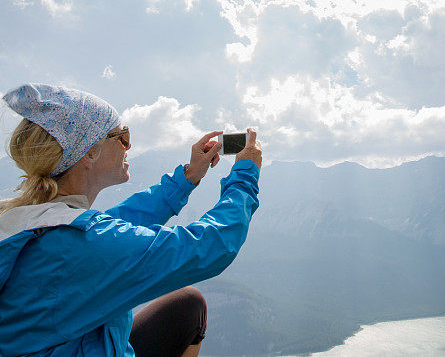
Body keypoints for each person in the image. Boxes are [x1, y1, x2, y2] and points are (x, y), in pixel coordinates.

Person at [0, 83, 263, 356]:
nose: (129, 145)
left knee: (188, 304)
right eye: (122, 136)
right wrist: (245, 175)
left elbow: (121, 221)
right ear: (89, 152)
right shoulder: (81, 246)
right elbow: (212, 246)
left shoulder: (35, 222)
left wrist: (189, 177)